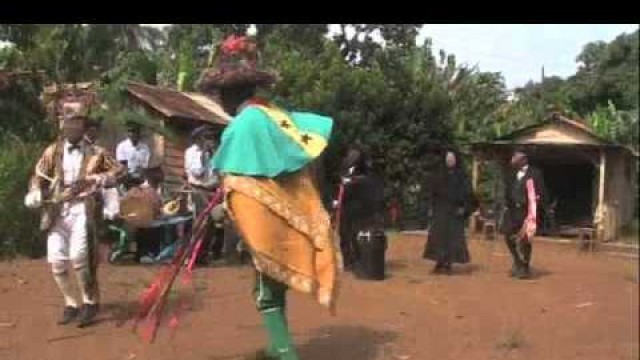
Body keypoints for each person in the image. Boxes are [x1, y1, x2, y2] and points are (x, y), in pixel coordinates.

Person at [202, 35, 340, 360]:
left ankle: (283, 351)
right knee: (272, 288)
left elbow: (238, 179)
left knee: (266, 294)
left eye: (221, 93)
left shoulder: (244, 124)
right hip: (295, 214)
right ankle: (276, 348)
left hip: (271, 222)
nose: (219, 99)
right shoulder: (276, 115)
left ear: (233, 92)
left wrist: (226, 205)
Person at [25, 114, 124, 327]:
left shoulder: (97, 153)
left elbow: (119, 170)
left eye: (76, 125)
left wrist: (97, 178)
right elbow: (38, 174)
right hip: (57, 209)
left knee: (80, 256)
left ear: (83, 129)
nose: (71, 128)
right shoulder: (53, 151)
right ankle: (71, 304)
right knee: (57, 260)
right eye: (68, 124)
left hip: (83, 207)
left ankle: (89, 302)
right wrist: (35, 190)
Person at [422, 150, 477, 274]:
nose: (450, 160)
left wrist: (464, 208)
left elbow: (469, 194)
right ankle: (439, 262)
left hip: (455, 211)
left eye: (452, 158)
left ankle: (448, 263)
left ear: (456, 160)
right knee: (438, 237)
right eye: (448, 158)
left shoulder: (462, 175)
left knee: (452, 239)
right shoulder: (438, 174)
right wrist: (430, 207)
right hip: (440, 210)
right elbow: (431, 193)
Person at [337, 146, 385, 273]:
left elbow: (369, 183)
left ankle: (359, 259)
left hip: (358, 207)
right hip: (346, 206)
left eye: (354, 156)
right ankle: (348, 260)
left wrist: (353, 182)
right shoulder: (344, 168)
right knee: (344, 234)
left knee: (356, 235)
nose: (351, 158)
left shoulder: (364, 171)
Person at [184, 125, 224, 264]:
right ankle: (192, 255)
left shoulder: (216, 153)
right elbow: (197, 172)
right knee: (200, 223)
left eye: (212, 138)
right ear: (199, 138)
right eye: (207, 138)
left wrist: (214, 155)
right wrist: (203, 156)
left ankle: (203, 254)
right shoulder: (191, 152)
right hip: (197, 190)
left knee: (212, 223)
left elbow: (219, 173)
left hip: (212, 190)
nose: (210, 141)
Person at [501, 150, 541, 279]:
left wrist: (534, 209)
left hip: (527, 210)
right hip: (512, 211)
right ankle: (517, 260)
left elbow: (539, 192)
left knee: (525, 239)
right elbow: (508, 191)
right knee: (507, 235)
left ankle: (525, 266)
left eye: (516, 158)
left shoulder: (534, 174)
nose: (513, 160)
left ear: (523, 159)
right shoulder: (512, 174)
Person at [116, 122, 150, 190]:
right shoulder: (122, 146)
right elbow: (122, 166)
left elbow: (144, 166)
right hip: (126, 179)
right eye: (130, 132)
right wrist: (129, 175)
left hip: (139, 179)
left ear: (138, 133)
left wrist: (139, 174)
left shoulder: (145, 148)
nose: (132, 134)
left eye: (134, 132)